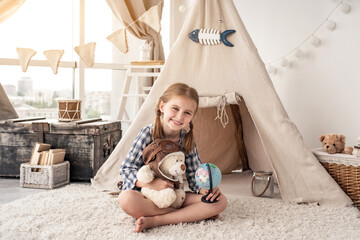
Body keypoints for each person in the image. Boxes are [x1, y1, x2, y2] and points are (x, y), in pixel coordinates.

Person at [118, 83, 227, 232]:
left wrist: (206, 188)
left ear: (192, 117)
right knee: (125, 199)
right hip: (147, 196)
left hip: (176, 197)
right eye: (175, 108)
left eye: (187, 113)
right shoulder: (147, 134)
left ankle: (158, 220)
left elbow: (194, 174)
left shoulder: (186, 140)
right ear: (162, 107)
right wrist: (151, 184)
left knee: (220, 202)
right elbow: (127, 168)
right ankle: (191, 215)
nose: (179, 116)